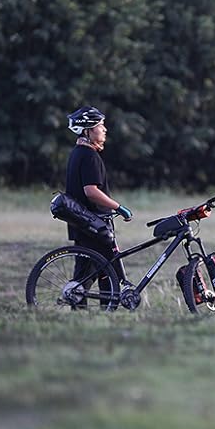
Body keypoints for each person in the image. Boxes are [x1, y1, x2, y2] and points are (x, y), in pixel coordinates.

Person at [65, 106, 133, 300]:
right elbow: (91, 191)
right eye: (100, 125)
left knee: (103, 270)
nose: (105, 129)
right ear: (88, 130)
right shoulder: (89, 156)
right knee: (90, 273)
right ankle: (84, 307)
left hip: (85, 222)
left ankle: (106, 311)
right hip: (92, 223)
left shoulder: (77, 153)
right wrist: (119, 207)